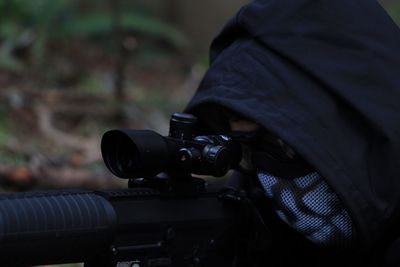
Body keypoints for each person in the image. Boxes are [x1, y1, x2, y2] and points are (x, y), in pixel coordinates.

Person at [185, 0, 400, 266]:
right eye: (246, 150)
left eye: (278, 147)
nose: (268, 180)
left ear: (349, 128)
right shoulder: (246, 206)